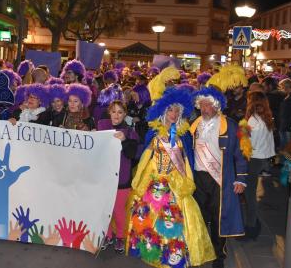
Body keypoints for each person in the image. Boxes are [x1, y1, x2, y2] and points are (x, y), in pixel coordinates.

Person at [126, 87, 216, 267]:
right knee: (150, 215)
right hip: (155, 179)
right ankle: (153, 250)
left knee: (174, 217)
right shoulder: (154, 132)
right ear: (163, 111)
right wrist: (139, 178)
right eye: (170, 110)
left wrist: (186, 181)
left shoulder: (183, 134)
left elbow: (187, 160)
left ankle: (174, 254)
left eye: (177, 111)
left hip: (175, 181)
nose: (174, 114)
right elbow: (145, 156)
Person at [189, 87, 249, 268]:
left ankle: (218, 255)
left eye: (208, 104)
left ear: (216, 106)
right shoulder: (193, 124)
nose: (204, 108)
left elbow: (242, 153)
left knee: (218, 219)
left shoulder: (232, 125)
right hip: (198, 178)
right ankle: (199, 250)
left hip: (220, 180)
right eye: (201, 104)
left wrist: (241, 178)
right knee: (199, 218)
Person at [96, 100, 139, 254]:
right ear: (109, 112)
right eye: (113, 111)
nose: (116, 115)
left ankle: (120, 236)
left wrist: (125, 141)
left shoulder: (130, 132)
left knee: (118, 210)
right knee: (104, 208)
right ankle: (107, 235)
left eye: (120, 112)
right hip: (104, 177)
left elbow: (132, 154)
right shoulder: (101, 126)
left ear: (124, 114)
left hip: (122, 178)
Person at [242, 91, 276, 240]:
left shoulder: (253, 122)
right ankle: (252, 222)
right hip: (262, 158)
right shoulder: (265, 118)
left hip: (253, 159)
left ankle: (251, 227)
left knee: (250, 195)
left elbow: (248, 146)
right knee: (250, 194)